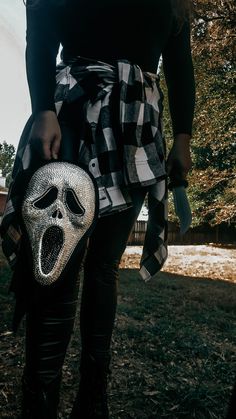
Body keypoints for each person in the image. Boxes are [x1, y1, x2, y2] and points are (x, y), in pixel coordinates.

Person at [2, 0, 195, 418]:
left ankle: (93, 399)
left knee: (104, 265)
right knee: (56, 265)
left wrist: (183, 135)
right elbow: (42, 23)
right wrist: (43, 110)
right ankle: (39, 402)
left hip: (138, 127)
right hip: (73, 114)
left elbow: (180, 61)